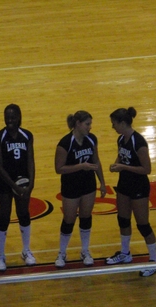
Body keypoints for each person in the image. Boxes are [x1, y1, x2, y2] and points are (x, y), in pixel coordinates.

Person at [105, 107, 156, 276]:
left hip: (139, 186)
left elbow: (147, 169)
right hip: (124, 184)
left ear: (123, 123)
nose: (113, 127)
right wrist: (116, 164)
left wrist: (122, 167)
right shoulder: (121, 139)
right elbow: (122, 155)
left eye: (114, 124)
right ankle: (125, 253)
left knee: (143, 224)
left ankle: (154, 260)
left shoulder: (139, 142)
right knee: (123, 219)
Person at [54, 110, 106, 267]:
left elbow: (96, 161)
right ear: (77, 124)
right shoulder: (64, 144)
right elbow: (59, 168)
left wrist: (102, 182)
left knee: (86, 217)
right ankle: (62, 253)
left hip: (88, 185)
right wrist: (80, 166)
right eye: (87, 124)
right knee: (69, 219)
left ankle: (85, 250)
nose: (90, 127)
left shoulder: (92, 139)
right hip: (71, 186)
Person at [0, 104, 36, 271]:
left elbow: (30, 160)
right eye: (6, 117)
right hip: (4, 181)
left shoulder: (27, 136)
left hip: (23, 181)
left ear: (19, 117)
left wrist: (30, 184)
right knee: (4, 216)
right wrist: (13, 186)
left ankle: (26, 250)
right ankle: (1, 255)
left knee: (23, 213)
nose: (9, 120)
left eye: (12, 117)